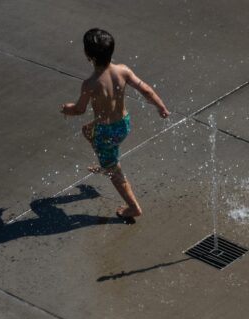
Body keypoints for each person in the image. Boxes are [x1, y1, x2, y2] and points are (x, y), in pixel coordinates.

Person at [61, 28, 170, 218]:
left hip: (106, 132)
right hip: (123, 124)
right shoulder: (123, 70)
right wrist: (161, 107)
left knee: (115, 172)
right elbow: (146, 90)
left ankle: (133, 207)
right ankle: (107, 162)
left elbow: (80, 109)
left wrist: (67, 109)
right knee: (87, 130)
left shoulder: (90, 84)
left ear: (88, 55)